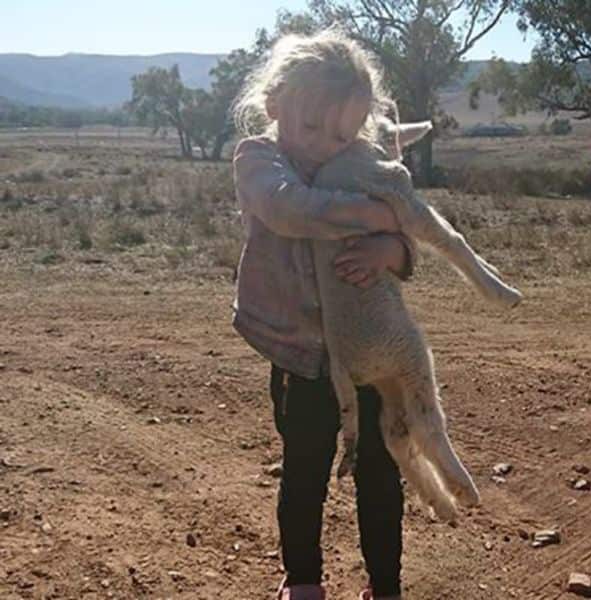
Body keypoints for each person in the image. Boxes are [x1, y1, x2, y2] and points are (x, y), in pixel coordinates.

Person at [230, 28, 413, 600]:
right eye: (311, 127)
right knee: (305, 471)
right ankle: (304, 583)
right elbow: (288, 210)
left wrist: (394, 248)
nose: (325, 146)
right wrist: (373, 214)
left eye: (344, 133)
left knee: (382, 473)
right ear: (274, 103)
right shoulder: (259, 158)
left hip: (369, 353)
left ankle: (386, 586)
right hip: (300, 351)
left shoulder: (362, 163)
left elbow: (412, 235)